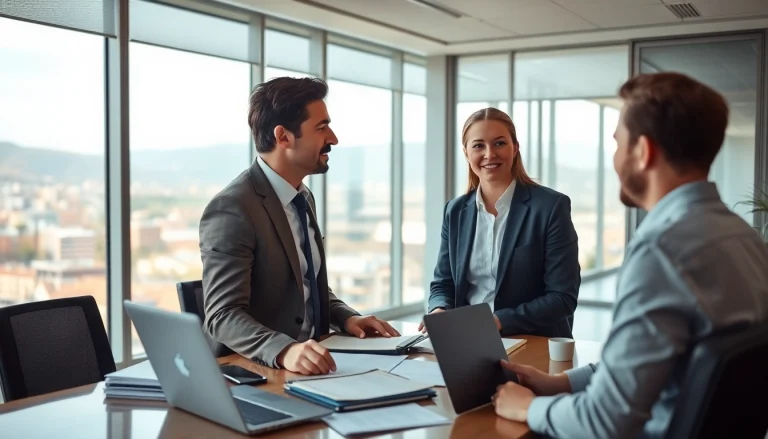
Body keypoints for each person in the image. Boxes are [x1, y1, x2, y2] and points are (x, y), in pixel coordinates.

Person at [491, 72, 768, 438]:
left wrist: (528, 407)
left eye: (618, 142)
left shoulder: (662, 251)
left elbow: (605, 421)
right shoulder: (746, 240)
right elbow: (648, 364)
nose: (615, 156)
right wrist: (561, 383)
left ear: (642, 152)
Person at [199, 77, 399, 376]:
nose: (333, 138)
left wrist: (346, 318)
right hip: (260, 372)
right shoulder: (233, 208)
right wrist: (284, 350)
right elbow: (222, 315)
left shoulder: (302, 198)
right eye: (321, 127)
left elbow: (307, 286)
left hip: (319, 363)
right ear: (283, 136)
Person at [419, 108, 581, 337]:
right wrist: (439, 310)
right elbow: (443, 283)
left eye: (499, 143)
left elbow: (562, 297)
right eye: (478, 146)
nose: (489, 154)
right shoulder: (455, 211)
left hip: (532, 340)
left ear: (515, 148)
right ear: (466, 153)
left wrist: (497, 321)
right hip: (467, 339)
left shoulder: (550, 207)